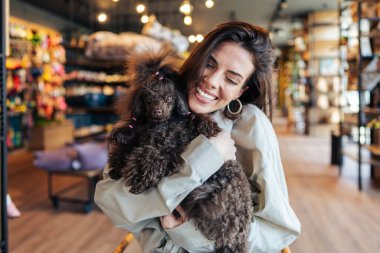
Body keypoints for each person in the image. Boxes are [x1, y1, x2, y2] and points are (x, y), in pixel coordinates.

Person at [95, 21, 301, 253]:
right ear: (196, 59)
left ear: (241, 91)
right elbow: (112, 202)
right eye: (209, 64)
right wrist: (202, 161)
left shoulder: (249, 125)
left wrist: (188, 233)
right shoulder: (157, 102)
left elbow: (279, 231)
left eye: (231, 79)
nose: (212, 81)